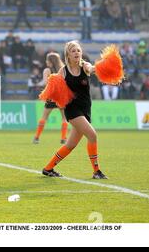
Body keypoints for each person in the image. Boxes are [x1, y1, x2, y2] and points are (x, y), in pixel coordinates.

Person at [42, 41, 108, 180]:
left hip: (85, 108)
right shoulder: (64, 71)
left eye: (78, 50)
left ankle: (48, 168)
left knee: (70, 145)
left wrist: (103, 66)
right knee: (92, 135)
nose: (77, 52)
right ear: (68, 55)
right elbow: (53, 87)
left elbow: (91, 68)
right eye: (73, 51)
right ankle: (96, 171)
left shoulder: (85, 66)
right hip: (72, 110)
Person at [33, 52, 68, 144]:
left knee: (44, 117)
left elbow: (45, 82)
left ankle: (36, 137)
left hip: (51, 96)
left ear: (50, 61)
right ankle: (63, 138)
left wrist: (37, 84)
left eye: (47, 60)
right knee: (64, 118)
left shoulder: (47, 70)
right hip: (61, 96)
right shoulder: (63, 69)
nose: (46, 61)